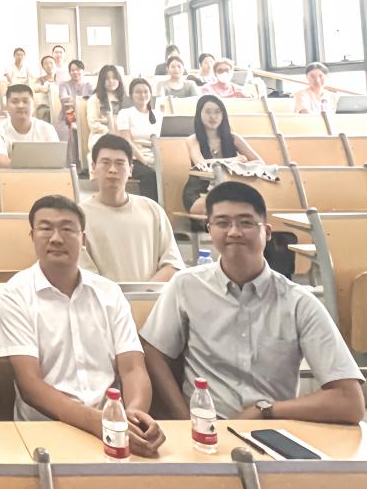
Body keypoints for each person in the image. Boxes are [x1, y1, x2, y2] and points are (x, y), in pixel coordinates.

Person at [143, 182, 365, 424]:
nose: (234, 232)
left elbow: (350, 402)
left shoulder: (299, 303)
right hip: (205, 429)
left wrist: (266, 410)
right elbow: (153, 352)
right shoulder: (186, 286)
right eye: (222, 223)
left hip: (272, 429)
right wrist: (185, 420)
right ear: (209, 229)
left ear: (267, 232)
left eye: (246, 223)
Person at [0, 195, 165, 457]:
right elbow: (30, 384)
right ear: (32, 236)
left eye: (67, 229)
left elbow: (133, 368)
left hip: (113, 425)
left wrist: (133, 414)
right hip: (45, 431)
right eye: (46, 228)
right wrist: (96, 422)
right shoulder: (16, 293)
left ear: (83, 239)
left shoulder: (109, 292)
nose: (56, 238)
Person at [80, 135, 182, 282]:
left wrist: (144, 294)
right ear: (93, 168)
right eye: (105, 163)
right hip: (102, 296)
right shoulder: (80, 216)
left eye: (120, 163)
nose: (112, 170)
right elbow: (85, 275)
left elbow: (173, 264)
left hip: (152, 295)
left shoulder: (152, 210)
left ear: (130, 170)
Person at [182, 95, 262, 215]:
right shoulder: (193, 139)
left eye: (217, 112)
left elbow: (259, 162)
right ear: (199, 114)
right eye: (208, 112)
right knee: (228, 208)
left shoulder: (234, 138)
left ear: (223, 115)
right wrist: (236, 160)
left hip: (230, 191)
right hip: (199, 193)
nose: (213, 116)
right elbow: (201, 163)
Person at [0, 85, 61, 168]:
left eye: (25, 101)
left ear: (33, 105)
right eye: (14, 102)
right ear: (7, 106)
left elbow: (56, 159)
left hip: (43, 174)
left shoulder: (47, 128)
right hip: (11, 175)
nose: (20, 106)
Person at [114, 78, 162, 200]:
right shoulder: (125, 113)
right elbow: (126, 141)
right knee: (150, 175)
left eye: (146, 91)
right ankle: (151, 207)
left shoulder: (158, 114)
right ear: (131, 95)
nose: (142, 95)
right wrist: (144, 160)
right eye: (138, 92)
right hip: (135, 159)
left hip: (157, 157)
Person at [85, 64, 128, 147]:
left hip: (123, 136)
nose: (111, 81)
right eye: (107, 78)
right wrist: (109, 132)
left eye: (114, 78)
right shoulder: (95, 99)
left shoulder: (124, 98)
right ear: (102, 80)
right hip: (102, 137)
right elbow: (93, 123)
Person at [57, 60, 93, 140]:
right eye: (72, 70)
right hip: (68, 114)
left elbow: (93, 99)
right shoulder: (63, 84)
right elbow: (63, 98)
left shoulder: (89, 85)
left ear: (83, 71)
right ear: (69, 72)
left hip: (86, 116)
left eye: (78, 69)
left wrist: (75, 101)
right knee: (70, 134)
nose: (75, 72)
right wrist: (78, 100)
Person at [33, 55, 58, 122]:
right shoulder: (41, 79)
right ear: (43, 67)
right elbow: (36, 88)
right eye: (46, 64)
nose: (49, 65)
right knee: (47, 112)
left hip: (59, 105)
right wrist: (43, 89)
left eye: (51, 63)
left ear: (55, 64)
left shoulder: (61, 77)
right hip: (46, 106)